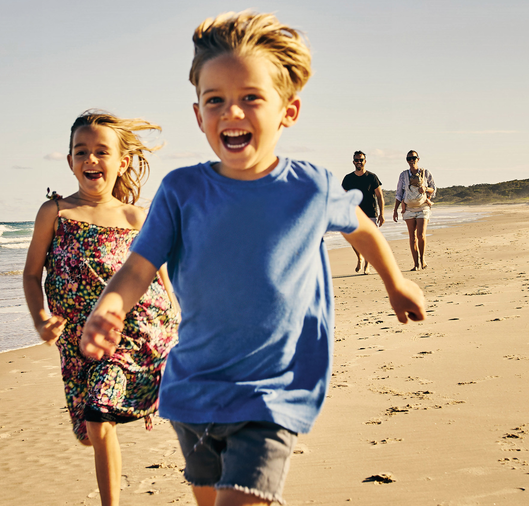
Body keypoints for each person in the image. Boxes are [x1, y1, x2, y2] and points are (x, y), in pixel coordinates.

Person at [80, 12, 426, 506]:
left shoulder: (309, 187)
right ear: (198, 115)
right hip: (191, 393)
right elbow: (139, 266)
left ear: (289, 110)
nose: (232, 112)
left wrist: (395, 283)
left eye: (251, 98)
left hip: (272, 394)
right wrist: (109, 306)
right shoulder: (182, 191)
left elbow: (362, 226)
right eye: (215, 100)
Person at [22, 110, 179, 506]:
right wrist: (40, 317)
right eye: (81, 151)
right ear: (71, 160)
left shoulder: (135, 218)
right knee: (93, 424)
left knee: (97, 415)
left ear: (121, 161)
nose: (91, 159)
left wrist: (176, 315)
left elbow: (160, 278)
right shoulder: (55, 213)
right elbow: (30, 274)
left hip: (135, 331)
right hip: (79, 341)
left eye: (101, 151)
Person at [341, 150, 384, 274]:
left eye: (361, 160)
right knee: (354, 239)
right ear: (353, 161)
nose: (359, 162)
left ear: (365, 161)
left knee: (369, 241)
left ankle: (367, 265)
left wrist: (381, 214)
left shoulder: (372, 177)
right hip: (354, 214)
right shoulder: (348, 178)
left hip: (371, 213)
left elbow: (379, 196)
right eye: (357, 160)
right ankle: (359, 257)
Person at [392, 150, 436, 271]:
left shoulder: (426, 173)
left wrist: (425, 188)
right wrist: (395, 210)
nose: (412, 160)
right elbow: (399, 193)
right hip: (409, 208)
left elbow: (434, 188)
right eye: (409, 158)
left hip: (423, 207)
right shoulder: (403, 175)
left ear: (418, 159)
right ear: (407, 160)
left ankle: (422, 259)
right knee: (412, 236)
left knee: (421, 234)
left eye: (414, 158)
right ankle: (415, 263)